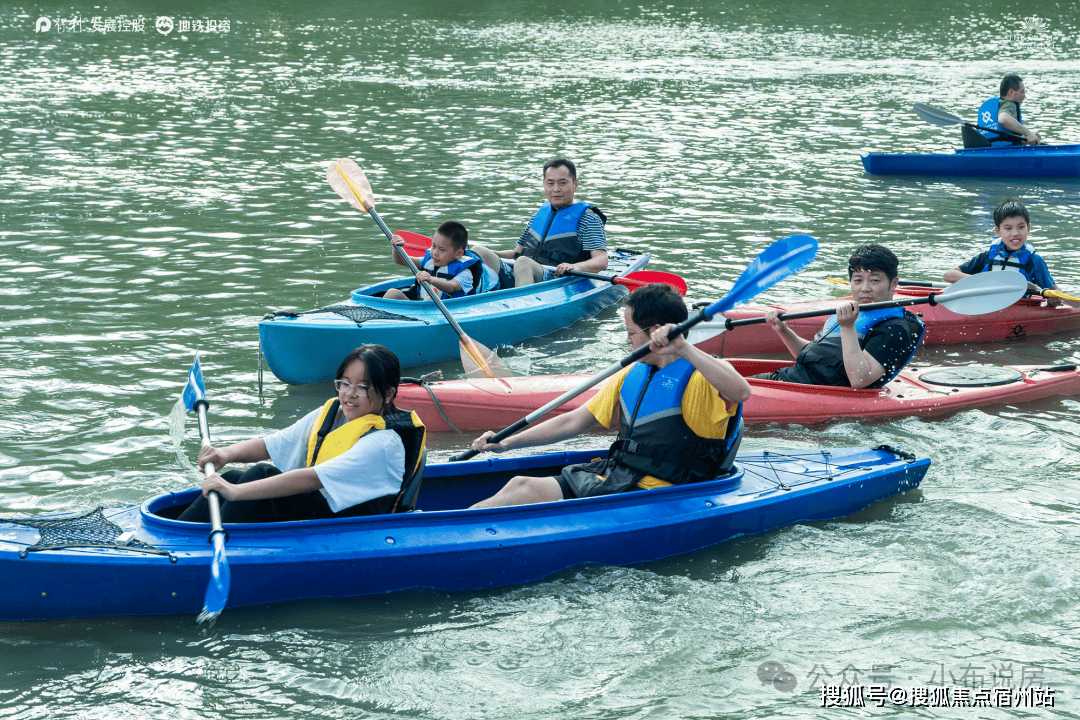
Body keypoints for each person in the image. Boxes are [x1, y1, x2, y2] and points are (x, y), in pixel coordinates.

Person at [467, 284, 751, 508]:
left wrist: (683, 348)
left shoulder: (703, 375)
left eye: (631, 333)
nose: (628, 341)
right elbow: (573, 421)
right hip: (620, 476)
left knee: (527, 490)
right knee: (521, 485)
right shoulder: (632, 373)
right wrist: (507, 442)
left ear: (655, 332)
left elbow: (741, 392)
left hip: (661, 490)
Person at [179, 345, 426, 523]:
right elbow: (273, 444)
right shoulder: (334, 414)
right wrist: (225, 454)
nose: (349, 394)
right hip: (316, 509)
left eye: (362, 387)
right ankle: (180, 535)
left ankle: (214, 544)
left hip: (341, 526)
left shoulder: (385, 443)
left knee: (257, 475)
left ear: (388, 394)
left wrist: (236, 493)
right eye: (345, 383)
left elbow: (312, 478)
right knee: (233, 476)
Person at [755, 244, 924, 389]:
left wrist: (847, 327)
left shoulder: (894, 328)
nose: (865, 288)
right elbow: (814, 356)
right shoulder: (853, 313)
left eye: (875, 281)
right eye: (858, 280)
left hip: (812, 394)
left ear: (893, 284)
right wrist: (783, 330)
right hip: (789, 380)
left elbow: (860, 380)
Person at [471, 158, 608, 288]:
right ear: (544, 185)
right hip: (520, 273)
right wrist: (490, 253)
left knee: (523, 263)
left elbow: (601, 261)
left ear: (575, 185)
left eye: (562, 183)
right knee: (478, 251)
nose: (556, 189)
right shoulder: (536, 217)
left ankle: (522, 302)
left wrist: (575, 267)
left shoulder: (588, 219)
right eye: (550, 183)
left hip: (555, 278)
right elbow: (516, 254)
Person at [944, 199, 1074, 308]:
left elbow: (1055, 290)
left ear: (1028, 228)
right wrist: (981, 282)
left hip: (1017, 309)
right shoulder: (987, 256)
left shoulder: (1034, 261)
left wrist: (1054, 299)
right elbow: (948, 275)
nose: (1015, 233)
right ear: (998, 232)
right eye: (1008, 228)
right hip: (982, 305)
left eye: (1021, 227)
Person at [383, 221, 498, 301]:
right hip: (419, 310)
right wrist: (396, 249)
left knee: (429, 300)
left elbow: (452, 286)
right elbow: (401, 261)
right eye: (433, 246)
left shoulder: (466, 273)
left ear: (458, 254)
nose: (435, 253)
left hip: (448, 311)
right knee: (392, 293)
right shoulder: (430, 260)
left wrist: (432, 279)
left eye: (442, 250)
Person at [977, 74, 1042, 146]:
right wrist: (1028, 133)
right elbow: (1003, 119)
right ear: (1011, 92)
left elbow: (1004, 137)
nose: (1024, 96)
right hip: (1004, 150)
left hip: (987, 149)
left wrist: (1023, 140)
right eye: (1022, 92)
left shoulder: (995, 106)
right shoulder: (1009, 104)